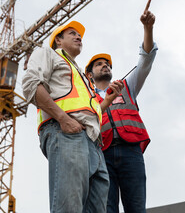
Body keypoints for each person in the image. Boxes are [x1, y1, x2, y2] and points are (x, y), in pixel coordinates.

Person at [22, 20, 123, 213]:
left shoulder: (81, 75)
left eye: (80, 35)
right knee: (69, 207)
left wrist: (107, 101)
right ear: (58, 40)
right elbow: (30, 85)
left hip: (92, 143)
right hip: (66, 133)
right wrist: (63, 119)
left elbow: (84, 111)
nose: (79, 37)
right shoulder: (48, 54)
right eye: (72, 34)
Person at [85, 0, 157, 213]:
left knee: (136, 208)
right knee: (106, 209)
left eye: (107, 64)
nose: (105, 65)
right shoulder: (86, 97)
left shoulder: (128, 86)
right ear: (90, 74)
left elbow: (145, 60)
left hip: (130, 153)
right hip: (102, 156)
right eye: (99, 64)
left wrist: (148, 28)